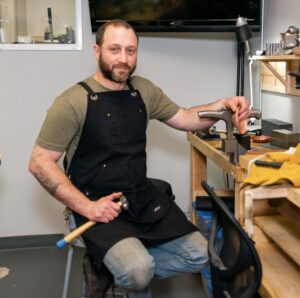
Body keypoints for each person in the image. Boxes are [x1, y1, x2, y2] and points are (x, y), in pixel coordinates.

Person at [28, 19, 250, 298]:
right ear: (97, 51)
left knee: (201, 254)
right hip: (95, 206)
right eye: (115, 49)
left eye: (130, 51)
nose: (123, 59)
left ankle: (109, 270)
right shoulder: (72, 101)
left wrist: (223, 104)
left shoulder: (143, 90)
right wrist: (88, 207)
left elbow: (185, 117)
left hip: (139, 199)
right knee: (138, 270)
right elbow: (39, 162)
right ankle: (129, 268)